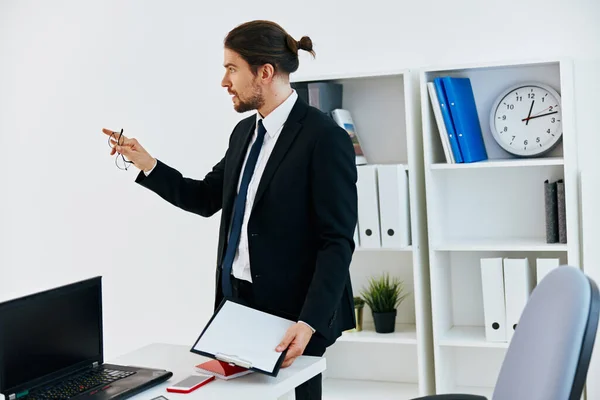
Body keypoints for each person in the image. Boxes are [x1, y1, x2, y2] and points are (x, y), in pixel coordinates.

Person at [102, 19, 357, 399]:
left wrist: (309, 321)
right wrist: (147, 163)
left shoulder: (324, 138)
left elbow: (336, 241)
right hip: (238, 304)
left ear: (265, 72)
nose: (225, 81)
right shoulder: (244, 133)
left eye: (232, 69)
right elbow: (206, 198)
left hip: (296, 312)